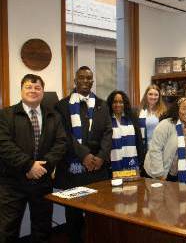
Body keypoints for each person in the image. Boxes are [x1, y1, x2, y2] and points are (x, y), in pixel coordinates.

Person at [0, 74, 66, 242]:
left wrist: (42, 167)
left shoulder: (54, 116)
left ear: (43, 91)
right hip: (12, 183)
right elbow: (4, 145)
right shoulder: (6, 115)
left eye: (37, 88)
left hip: (42, 181)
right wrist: (29, 166)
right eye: (28, 87)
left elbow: (61, 143)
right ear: (21, 90)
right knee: (7, 230)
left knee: (42, 229)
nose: (33, 91)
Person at [55, 66, 112, 243]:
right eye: (82, 78)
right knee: (73, 214)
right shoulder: (62, 105)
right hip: (74, 168)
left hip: (97, 168)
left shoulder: (102, 104)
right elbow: (64, 134)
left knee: (97, 212)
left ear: (92, 81)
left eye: (89, 78)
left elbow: (108, 132)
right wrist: (85, 156)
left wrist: (101, 157)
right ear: (75, 81)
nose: (86, 81)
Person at [144, 97, 186, 183]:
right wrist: (160, 175)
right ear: (177, 109)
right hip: (159, 174)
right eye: (184, 108)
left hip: (181, 175)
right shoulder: (165, 125)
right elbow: (155, 150)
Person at [106, 90, 145, 180]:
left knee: (132, 190)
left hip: (132, 164)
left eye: (121, 102)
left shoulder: (132, 117)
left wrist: (141, 161)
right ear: (111, 104)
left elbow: (138, 140)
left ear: (125, 104)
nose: (118, 104)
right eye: (115, 102)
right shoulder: (106, 119)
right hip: (113, 165)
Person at [138, 84, 167, 155]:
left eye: (156, 95)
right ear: (146, 95)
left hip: (159, 149)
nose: (153, 97)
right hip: (143, 149)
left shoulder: (164, 113)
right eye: (150, 94)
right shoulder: (138, 112)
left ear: (159, 97)